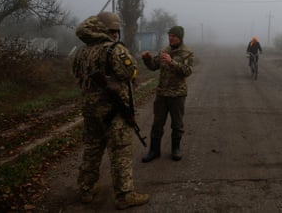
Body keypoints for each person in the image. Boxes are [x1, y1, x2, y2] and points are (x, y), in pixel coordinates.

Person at [72, 12, 150, 210]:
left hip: (90, 109)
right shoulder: (115, 49)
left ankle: (86, 189)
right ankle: (124, 195)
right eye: (116, 30)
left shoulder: (82, 51)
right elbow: (129, 71)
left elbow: (77, 74)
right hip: (113, 110)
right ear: (112, 30)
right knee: (120, 150)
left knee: (92, 148)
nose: (116, 33)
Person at [141, 25, 194, 163]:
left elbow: (187, 71)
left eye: (174, 36)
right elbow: (154, 66)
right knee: (157, 123)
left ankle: (176, 149)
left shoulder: (186, 52)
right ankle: (154, 151)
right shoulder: (164, 50)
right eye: (169, 36)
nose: (171, 38)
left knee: (177, 124)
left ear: (180, 37)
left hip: (177, 94)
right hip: (162, 94)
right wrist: (147, 59)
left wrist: (172, 62)